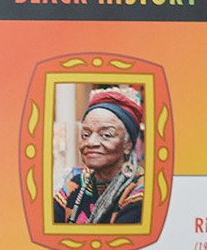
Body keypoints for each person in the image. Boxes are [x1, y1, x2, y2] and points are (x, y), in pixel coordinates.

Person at [52, 87, 145, 224]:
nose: (91, 143)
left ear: (128, 145)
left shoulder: (140, 191)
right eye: (85, 135)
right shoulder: (75, 185)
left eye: (106, 135)